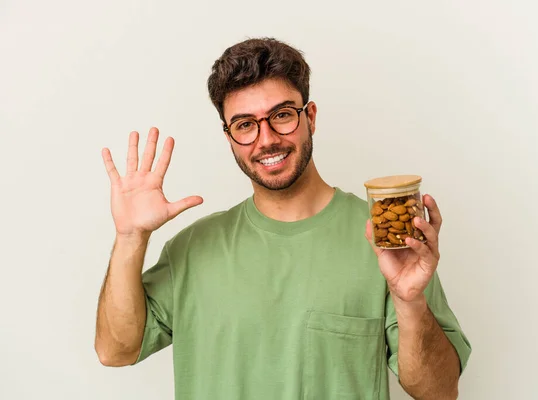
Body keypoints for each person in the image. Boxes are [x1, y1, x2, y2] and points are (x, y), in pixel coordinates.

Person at [94, 37, 471, 400]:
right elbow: (116, 350)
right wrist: (130, 237)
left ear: (310, 116)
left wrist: (410, 302)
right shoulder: (192, 248)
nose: (267, 139)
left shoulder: (384, 242)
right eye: (245, 125)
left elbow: (439, 392)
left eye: (282, 116)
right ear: (229, 138)